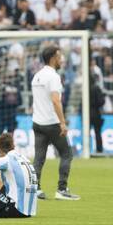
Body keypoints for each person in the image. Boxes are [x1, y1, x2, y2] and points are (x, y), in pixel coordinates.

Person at [29, 45, 79, 201]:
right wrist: (62, 123)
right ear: (52, 58)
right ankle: (62, 190)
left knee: (39, 158)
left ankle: (35, 190)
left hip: (37, 122)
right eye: (59, 56)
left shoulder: (36, 76)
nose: (61, 59)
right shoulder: (54, 77)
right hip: (51, 123)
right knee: (66, 154)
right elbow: (56, 101)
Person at [0, 73, 22, 138]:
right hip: (11, 115)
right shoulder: (16, 88)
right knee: (9, 136)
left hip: (3, 115)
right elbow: (20, 102)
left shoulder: (1, 88)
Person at [88, 73, 105, 155]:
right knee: (97, 132)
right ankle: (99, 149)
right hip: (96, 112)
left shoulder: (85, 89)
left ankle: (86, 149)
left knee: (87, 132)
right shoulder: (96, 88)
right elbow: (102, 101)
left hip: (87, 113)